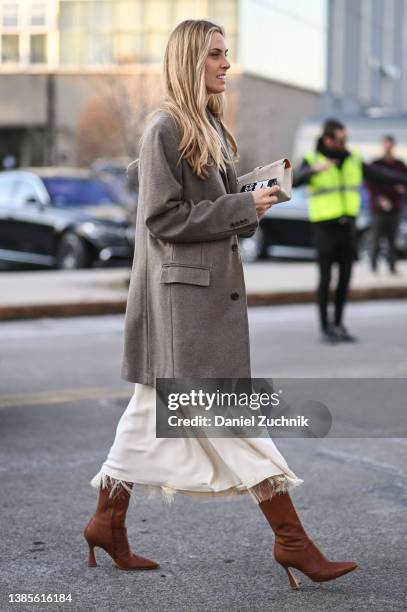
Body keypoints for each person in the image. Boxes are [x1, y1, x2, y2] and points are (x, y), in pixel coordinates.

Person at [84, 21, 358, 589]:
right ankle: (292, 541)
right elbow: (162, 219)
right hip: (183, 309)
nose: (225, 64)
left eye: (227, 54)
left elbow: (219, 213)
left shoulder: (205, 127)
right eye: (215, 55)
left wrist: (252, 202)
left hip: (197, 302)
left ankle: (106, 523)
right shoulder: (165, 127)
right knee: (237, 419)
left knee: (142, 419)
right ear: (190, 60)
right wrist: (239, 208)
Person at [293, 119, 407, 344]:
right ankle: (325, 327)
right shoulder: (312, 159)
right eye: (340, 139)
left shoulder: (353, 158)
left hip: (348, 228)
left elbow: (380, 175)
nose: (344, 143)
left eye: (346, 138)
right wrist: (312, 171)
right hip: (324, 227)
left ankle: (339, 324)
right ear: (328, 140)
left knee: (345, 279)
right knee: (326, 279)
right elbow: (294, 181)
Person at [365, 134, 407, 274]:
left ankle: (392, 265)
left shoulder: (399, 165)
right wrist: (379, 198)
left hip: (395, 207)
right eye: (386, 144)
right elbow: (370, 184)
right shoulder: (376, 164)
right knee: (376, 237)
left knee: (393, 239)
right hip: (378, 208)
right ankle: (373, 265)